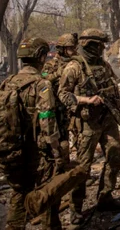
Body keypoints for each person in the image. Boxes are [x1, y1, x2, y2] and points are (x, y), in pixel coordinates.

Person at [0, 38, 67, 230]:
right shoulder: (42, 85)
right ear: (40, 56)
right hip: (37, 152)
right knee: (47, 192)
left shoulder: (8, 82)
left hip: (13, 149)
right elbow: (47, 118)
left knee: (19, 192)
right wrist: (56, 150)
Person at [58, 29, 120, 226]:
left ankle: (105, 197)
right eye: (100, 45)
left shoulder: (104, 65)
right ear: (91, 45)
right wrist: (86, 100)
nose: (103, 48)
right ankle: (75, 208)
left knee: (114, 157)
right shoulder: (74, 67)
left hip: (108, 120)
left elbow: (114, 90)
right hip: (87, 123)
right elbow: (63, 95)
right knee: (83, 167)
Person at [42, 33, 78, 162]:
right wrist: (60, 74)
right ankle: (63, 166)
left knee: (80, 139)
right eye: (70, 48)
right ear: (62, 49)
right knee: (62, 141)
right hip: (59, 107)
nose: (73, 51)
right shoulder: (51, 64)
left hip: (74, 106)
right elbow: (44, 79)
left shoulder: (77, 63)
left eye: (74, 48)